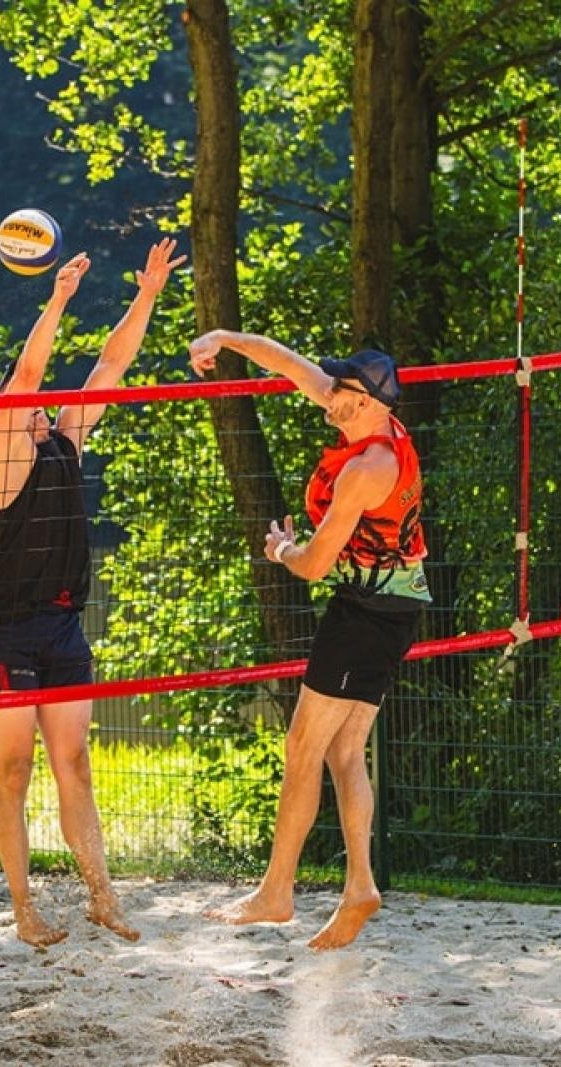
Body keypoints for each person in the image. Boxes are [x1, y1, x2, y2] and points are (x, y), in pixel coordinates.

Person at [187, 331, 430, 949]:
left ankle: (276, 891)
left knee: (303, 747)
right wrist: (223, 338)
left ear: (369, 404)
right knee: (343, 752)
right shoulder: (366, 417)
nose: (328, 396)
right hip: (391, 606)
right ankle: (359, 888)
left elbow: (315, 564)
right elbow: (290, 364)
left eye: (341, 391)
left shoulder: (366, 470)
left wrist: (281, 550)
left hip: (365, 614)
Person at [0, 237, 184, 947]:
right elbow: (31, 370)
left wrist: (147, 293)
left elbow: (112, 365)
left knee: (74, 765)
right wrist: (58, 296)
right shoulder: (5, 451)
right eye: (25, 400)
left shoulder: (65, 440)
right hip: (6, 630)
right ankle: (24, 905)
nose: (38, 404)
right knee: (13, 771)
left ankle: (101, 895)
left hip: (62, 628)